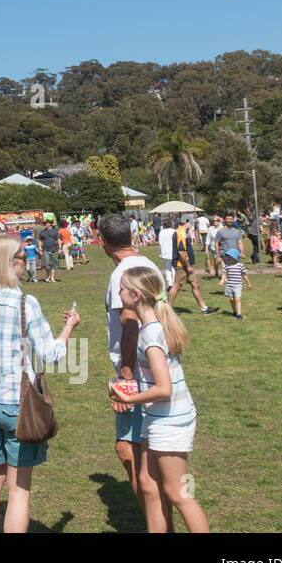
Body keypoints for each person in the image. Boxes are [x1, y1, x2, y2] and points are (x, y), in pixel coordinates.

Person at [0, 232, 80, 533]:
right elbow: (51, 355)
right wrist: (69, 328)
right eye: (23, 258)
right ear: (10, 263)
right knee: (19, 487)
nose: (27, 262)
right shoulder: (25, 302)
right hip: (18, 404)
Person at [108, 267, 210, 532]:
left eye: (121, 289)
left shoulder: (150, 334)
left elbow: (164, 388)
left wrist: (129, 397)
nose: (117, 293)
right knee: (147, 484)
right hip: (155, 416)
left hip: (171, 420)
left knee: (177, 493)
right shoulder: (150, 326)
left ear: (135, 295)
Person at [95, 213, 167, 530]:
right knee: (149, 453)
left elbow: (129, 324)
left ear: (103, 242)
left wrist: (126, 377)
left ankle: (157, 523)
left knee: (129, 449)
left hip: (136, 371)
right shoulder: (148, 265)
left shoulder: (120, 275)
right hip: (158, 365)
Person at [167, 217, 218, 316]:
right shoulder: (180, 233)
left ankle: (204, 309)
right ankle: (168, 309)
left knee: (195, 284)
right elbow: (181, 252)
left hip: (186, 265)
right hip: (181, 265)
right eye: (192, 223)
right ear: (186, 222)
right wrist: (188, 266)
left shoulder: (183, 232)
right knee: (177, 285)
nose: (193, 225)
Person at [220, 248, 252, 319]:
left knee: (238, 299)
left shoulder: (240, 266)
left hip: (237, 285)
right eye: (228, 257)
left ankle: (239, 314)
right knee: (231, 299)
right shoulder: (227, 266)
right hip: (229, 285)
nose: (228, 259)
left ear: (234, 257)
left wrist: (249, 283)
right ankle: (234, 311)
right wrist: (222, 281)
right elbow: (224, 274)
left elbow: (244, 275)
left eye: (229, 257)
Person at [157, 216, 176, 286]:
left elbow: (160, 242)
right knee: (174, 267)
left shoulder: (162, 232)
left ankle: (169, 283)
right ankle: (174, 282)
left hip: (165, 252)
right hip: (173, 252)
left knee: (167, 268)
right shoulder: (174, 231)